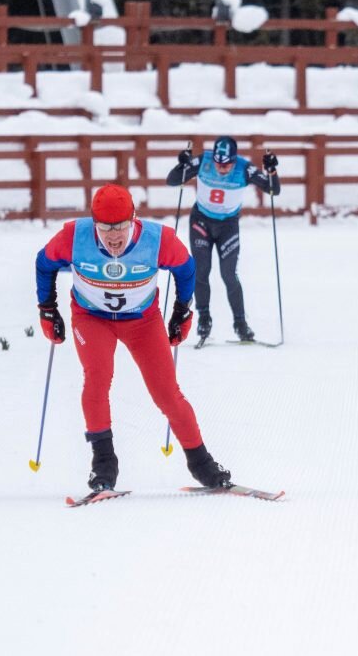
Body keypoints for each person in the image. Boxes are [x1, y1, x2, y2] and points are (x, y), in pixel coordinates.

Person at [35, 183, 232, 492]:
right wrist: (48, 308)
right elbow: (43, 264)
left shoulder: (158, 240)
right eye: (105, 228)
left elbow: (185, 268)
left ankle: (201, 463)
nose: (114, 236)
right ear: (94, 223)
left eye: (121, 227)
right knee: (97, 379)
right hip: (92, 318)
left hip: (142, 321)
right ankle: (103, 465)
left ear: (134, 219)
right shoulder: (74, 236)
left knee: (167, 393)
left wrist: (182, 310)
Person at [165, 135, 279, 343]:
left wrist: (271, 170)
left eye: (227, 164)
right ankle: (204, 320)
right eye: (218, 163)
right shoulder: (203, 161)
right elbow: (172, 180)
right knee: (201, 271)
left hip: (228, 225)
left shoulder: (244, 168)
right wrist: (181, 164)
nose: (222, 168)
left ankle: (241, 324)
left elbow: (273, 189)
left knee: (229, 274)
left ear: (235, 160)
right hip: (201, 222)